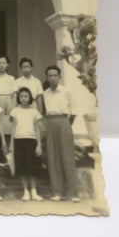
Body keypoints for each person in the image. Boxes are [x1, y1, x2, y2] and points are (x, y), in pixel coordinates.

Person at [42, 65, 80, 203]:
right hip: (50, 122)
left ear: (59, 76)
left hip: (64, 122)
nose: (52, 78)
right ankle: (57, 192)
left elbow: (74, 111)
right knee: (53, 158)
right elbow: (44, 111)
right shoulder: (45, 93)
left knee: (67, 157)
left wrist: (66, 125)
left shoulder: (67, 91)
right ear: (47, 77)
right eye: (49, 75)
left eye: (55, 75)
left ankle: (73, 193)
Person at [9, 87, 44, 201]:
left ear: (30, 98)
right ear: (18, 98)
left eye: (26, 96)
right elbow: (13, 128)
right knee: (22, 166)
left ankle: (34, 191)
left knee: (32, 166)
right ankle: (26, 191)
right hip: (18, 140)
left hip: (32, 141)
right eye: (21, 97)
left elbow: (37, 129)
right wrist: (11, 144)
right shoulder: (15, 111)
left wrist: (39, 145)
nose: (23, 99)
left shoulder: (34, 111)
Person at [0, 56, 17, 137]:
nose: (1, 65)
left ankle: (10, 141)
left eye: (3, 63)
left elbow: (14, 93)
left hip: (9, 99)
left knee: (10, 122)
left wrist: (13, 107)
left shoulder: (11, 78)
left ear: (7, 65)